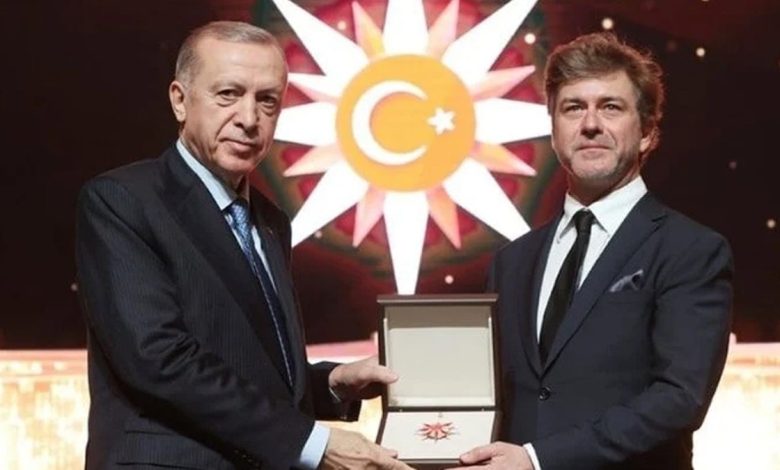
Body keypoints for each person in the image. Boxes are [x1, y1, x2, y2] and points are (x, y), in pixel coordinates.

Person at [76, 21, 411, 470]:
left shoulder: (270, 222)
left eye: (267, 100)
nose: (249, 119)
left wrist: (331, 383)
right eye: (228, 94)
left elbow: (247, 368)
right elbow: (159, 361)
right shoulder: (122, 201)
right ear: (180, 100)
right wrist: (312, 443)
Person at [455, 33, 733, 470]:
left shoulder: (691, 250)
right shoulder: (513, 262)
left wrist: (538, 459)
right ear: (554, 131)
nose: (590, 124)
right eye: (573, 108)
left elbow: (679, 398)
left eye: (610, 107)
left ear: (647, 133)